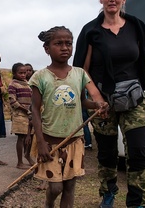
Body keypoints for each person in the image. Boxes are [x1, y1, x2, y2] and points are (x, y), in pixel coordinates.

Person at [73, 0, 145, 208]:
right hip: (104, 104)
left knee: (138, 151)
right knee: (107, 154)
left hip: (134, 101)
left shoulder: (136, 27)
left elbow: (144, 63)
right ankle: (108, 194)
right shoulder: (91, 31)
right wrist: (97, 99)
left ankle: (137, 201)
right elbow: (82, 69)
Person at [29, 26, 108, 208]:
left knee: (70, 185)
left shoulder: (79, 74)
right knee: (56, 187)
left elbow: (83, 101)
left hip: (75, 140)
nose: (65, 48)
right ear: (47, 49)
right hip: (50, 142)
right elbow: (34, 109)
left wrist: (96, 104)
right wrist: (40, 142)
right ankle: (49, 203)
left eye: (68, 43)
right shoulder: (40, 77)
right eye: (58, 44)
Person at [8, 62, 35, 169]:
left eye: (25, 73)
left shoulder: (28, 84)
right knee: (21, 137)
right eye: (21, 73)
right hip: (20, 114)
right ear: (14, 73)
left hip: (29, 114)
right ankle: (19, 162)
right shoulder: (13, 84)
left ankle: (27, 155)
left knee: (31, 136)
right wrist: (25, 109)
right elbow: (12, 101)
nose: (23, 75)